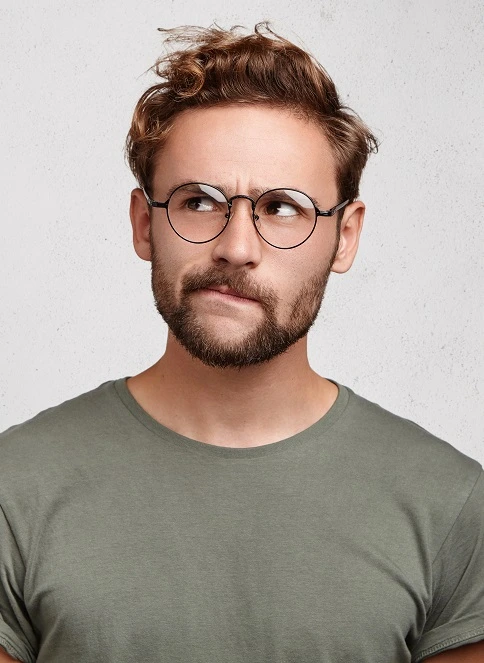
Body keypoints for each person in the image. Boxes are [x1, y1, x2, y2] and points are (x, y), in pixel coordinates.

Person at [0, 22, 482, 663]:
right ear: (144, 224)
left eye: (282, 208)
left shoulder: (452, 506)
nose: (236, 247)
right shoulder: (14, 488)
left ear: (345, 237)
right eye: (199, 201)